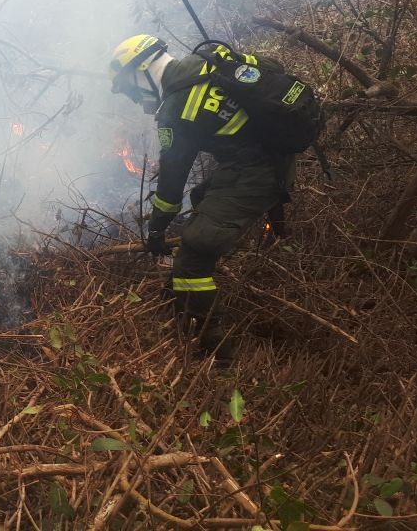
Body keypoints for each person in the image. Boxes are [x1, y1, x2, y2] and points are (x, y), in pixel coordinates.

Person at [108, 34, 295, 367]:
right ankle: (180, 296)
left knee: (193, 253)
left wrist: (157, 228)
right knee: (199, 197)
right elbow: (273, 67)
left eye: (131, 89)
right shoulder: (208, 61)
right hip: (269, 155)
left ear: (143, 71)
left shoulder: (176, 109)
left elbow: (171, 179)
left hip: (257, 171)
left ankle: (217, 356)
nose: (135, 98)